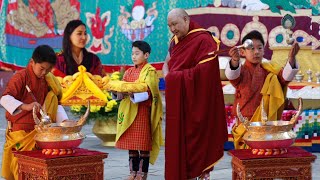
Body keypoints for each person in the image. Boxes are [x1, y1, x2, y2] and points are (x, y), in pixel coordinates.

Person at [163, 8, 227, 180]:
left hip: (198, 100)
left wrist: (174, 77)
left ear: (186, 19)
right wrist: (167, 73)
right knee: (178, 142)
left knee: (199, 143)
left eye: (175, 24)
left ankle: (202, 175)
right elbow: (167, 62)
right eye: (169, 26)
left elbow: (205, 73)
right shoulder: (175, 41)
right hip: (179, 99)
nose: (173, 29)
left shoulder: (203, 39)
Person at [0, 45, 68, 180]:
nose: (44, 73)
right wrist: (26, 106)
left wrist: (65, 121)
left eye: (48, 70)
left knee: (37, 171)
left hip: (40, 132)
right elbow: (4, 98)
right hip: (21, 132)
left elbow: (54, 101)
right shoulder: (21, 77)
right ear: (32, 62)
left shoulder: (48, 79)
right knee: (20, 170)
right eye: (42, 68)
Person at [225, 30, 300, 149]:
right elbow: (232, 75)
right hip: (246, 125)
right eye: (251, 48)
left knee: (264, 159)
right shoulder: (241, 70)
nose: (256, 52)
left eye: (260, 48)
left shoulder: (270, 70)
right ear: (243, 52)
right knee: (246, 162)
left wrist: (291, 58)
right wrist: (234, 60)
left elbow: (284, 78)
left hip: (266, 126)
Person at [112, 41, 163, 180]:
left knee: (143, 144)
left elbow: (151, 92)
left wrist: (132, 94)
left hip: (142, 112)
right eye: (132, 53)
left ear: (146, 55)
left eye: (137, 53)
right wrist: (116, 92)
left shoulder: (150, 71)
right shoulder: (128, 72)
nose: (133, 56)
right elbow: (122, 92)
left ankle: (142, 174)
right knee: (132, 145)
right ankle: (132, 173)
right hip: (129, 112)